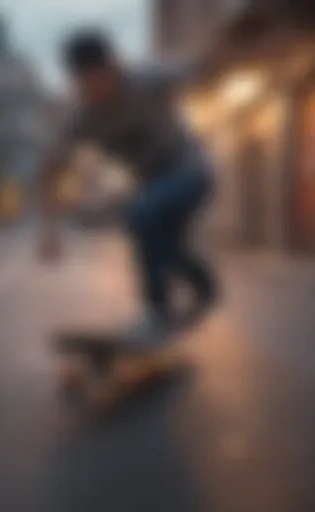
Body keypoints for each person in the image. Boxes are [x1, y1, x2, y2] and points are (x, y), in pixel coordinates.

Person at [39, 28, 221, 348]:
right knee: (160, 243)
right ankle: (204, 286)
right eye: (86, 84)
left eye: (101, 78)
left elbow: (204, 64)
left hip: (191, 173)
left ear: (114, 66)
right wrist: (50, 231)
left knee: (141, 214)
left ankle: (156, 314)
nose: (97, 90)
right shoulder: (83, 116)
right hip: (153, 185)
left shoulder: (147, 78)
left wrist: (244, 46)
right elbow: (53, 170)